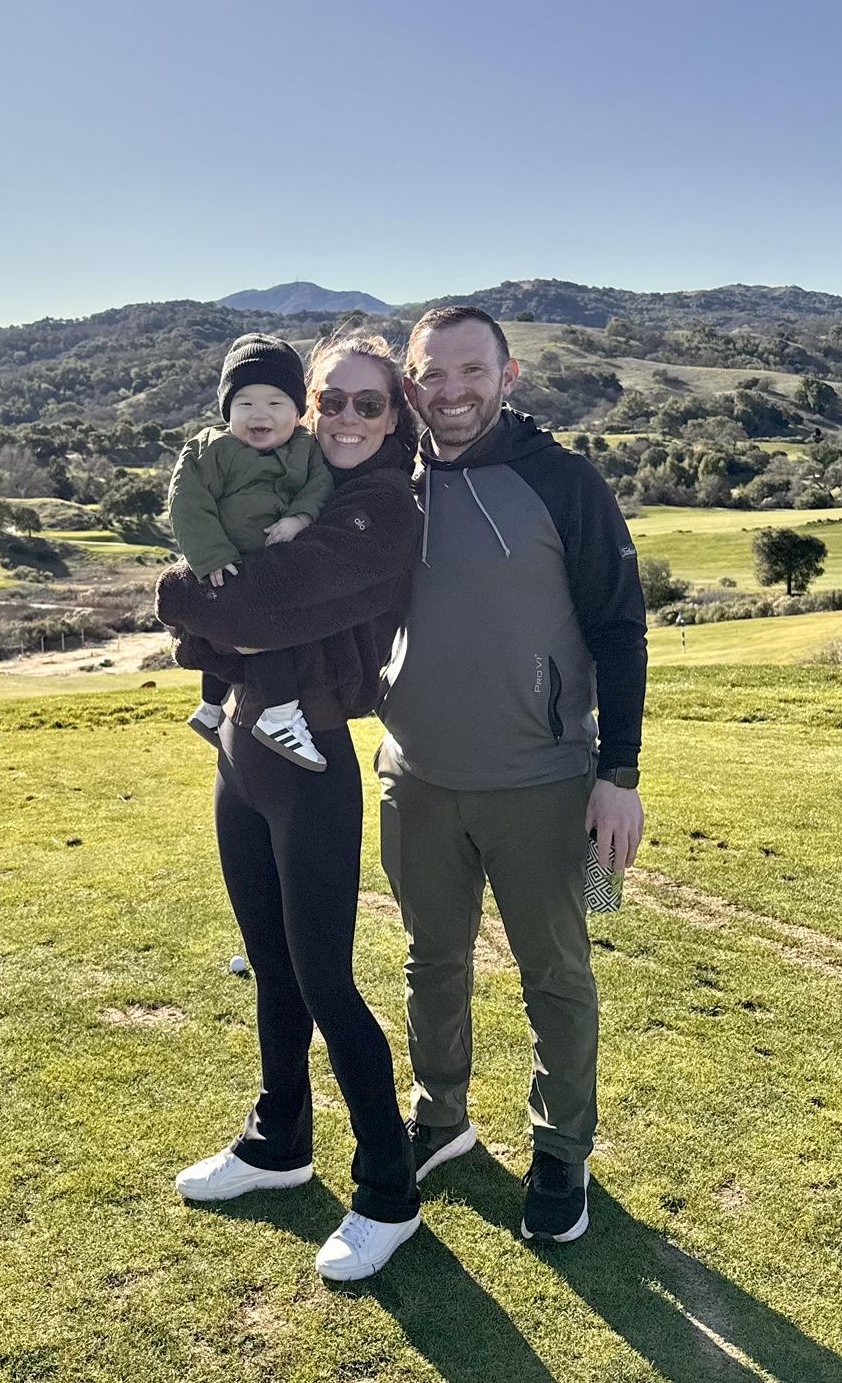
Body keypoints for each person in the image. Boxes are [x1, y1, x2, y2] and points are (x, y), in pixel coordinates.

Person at [376, 305, 647, 1245]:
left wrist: (620, 773)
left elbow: (619, 627)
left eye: (470, 371)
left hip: (543, 779)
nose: (450, 391)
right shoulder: (386, 477)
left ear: (510, 373)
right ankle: (440, 1120)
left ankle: (561, 1152)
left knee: (556, 974)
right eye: (432, 375)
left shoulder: (564, 481)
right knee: (431, 961)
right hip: (415, 778)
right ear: (409, 383)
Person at [156, 332, 423, 1281]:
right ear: (307, 407)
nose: (347, 418)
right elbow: (233, 601)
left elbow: (247, 607)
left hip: (310, 763)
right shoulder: (290, 479)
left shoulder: (385, 507)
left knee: (324, 982)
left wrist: (177, 592)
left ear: (396, 415)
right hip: (242, 755)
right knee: (270, 966)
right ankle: (279, 1143)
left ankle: (389, 1191)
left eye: (369, 404)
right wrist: (208, 602)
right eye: (332, 401)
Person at [167, 333, 334, 770]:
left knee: (239, 638)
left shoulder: (307, 449)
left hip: (271, 561)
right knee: (263, 636)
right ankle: (279, 715)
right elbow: (188, 503)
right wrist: (211, 556)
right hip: (227, 564)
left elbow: (320, 488)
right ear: (227, 410)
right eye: (245, 404)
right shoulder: (211, 449)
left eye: (275, 403)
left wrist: (299, 518)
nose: (260, 414)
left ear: (299, 410)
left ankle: (209, 711)